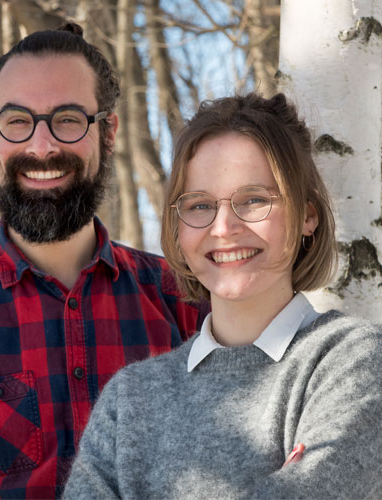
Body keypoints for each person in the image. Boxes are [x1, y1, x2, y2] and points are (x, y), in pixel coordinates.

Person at [0, 23, 208, 499]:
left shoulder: (186, 305)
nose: (41, 146)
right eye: (17, 120)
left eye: (68, 119)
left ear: (108, 132)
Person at [64, 93, 382, 499]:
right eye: (200, 205)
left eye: (254, 200)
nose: (224, 227)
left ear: (307, 215)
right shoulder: (130, 400)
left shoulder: (352, 364)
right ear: (178, 230)